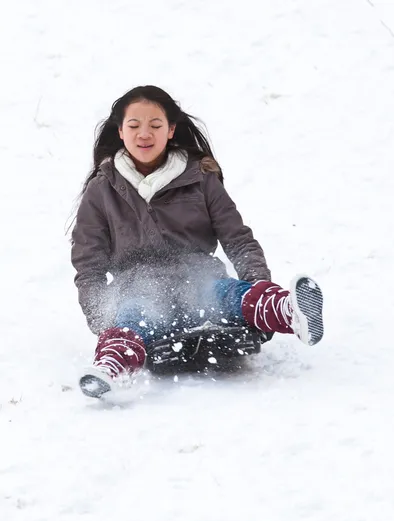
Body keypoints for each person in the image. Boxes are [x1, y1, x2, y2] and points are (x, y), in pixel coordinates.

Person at [70, 85, 324, 397]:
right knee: (131, 316)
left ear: (171, 129)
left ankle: (287, 311)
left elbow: (237, 239)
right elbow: (88, 261)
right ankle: (112, 366)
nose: (144, 134)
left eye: (155, 125)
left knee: (230, 295)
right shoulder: (102, 190)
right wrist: (101, 317)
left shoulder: (200, 178)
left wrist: (258, 282)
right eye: (134, 126)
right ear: (120, 132)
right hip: (139, 291)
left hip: (198, 282)